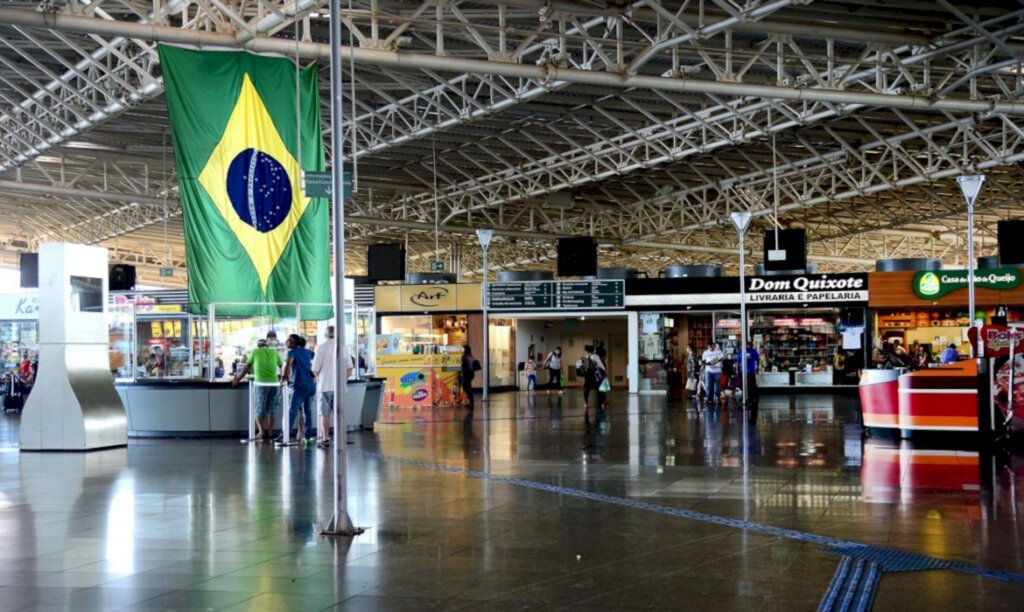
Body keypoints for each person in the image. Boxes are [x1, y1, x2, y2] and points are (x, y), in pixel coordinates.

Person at [231, 337, 283, 439]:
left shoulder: (255, 352)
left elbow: (247, 367)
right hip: (274, 383)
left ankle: (262, 431)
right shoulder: (274, 352)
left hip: (261, 383)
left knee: (259, 407)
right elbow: (282, 366)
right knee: (272, 408)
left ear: (258, 346)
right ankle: (270, 431)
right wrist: (283, 378)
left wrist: (237, 379)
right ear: (267, 346)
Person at [311, 326, 353, 448]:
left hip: (324, 386)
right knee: (340, 413)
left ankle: (325, 438)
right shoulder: (343, 347)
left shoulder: (321, 347)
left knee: (325, 414)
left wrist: (321, 378)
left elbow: (314, 369)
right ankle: (340, 438)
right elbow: (349, 368)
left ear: (325, 334)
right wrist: (342, 380)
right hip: (339, 388)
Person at [282, 334, 316, 443]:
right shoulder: (308, 352)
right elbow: (316, 362)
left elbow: (288, 365)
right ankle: (307, 437)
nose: (288, 342)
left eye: (290, 340)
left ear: (294, 342)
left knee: (292, 411)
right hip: (310, 386)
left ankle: (285, 435)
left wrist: (284, 377)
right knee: (307, 411)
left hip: (299, 385)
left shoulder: (291, 352)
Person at [580, 344, 607, 418]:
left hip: (588, 376)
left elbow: (585, 368)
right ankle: (601, 403)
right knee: (599, 389)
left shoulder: (586, 357)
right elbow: (600, 365)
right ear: (593, 350)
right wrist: (605, 371)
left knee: (587, 390)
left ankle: (586, 403)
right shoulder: (595, 356)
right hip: (595, 375)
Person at [461, 345, 478, 410]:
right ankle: (470, 401)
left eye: (463, 349)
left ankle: (471, 401)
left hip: (467, 373)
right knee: (468, 387)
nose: (462, 350)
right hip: (471, 373)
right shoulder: (470, 356)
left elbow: (464, 365)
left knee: (466, 387)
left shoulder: (465, 357)